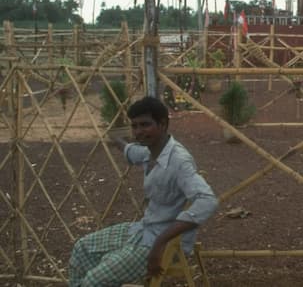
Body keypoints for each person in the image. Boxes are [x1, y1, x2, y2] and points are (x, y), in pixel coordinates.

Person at [69, 96, 218, 286]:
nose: (139, 132)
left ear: (163, 124)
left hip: (166, 245)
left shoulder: (179, 161)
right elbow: (130, 150)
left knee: (93, 281)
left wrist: (161, 242)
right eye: (135, 126)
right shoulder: (150, 151)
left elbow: (208, 200)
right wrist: (116, 139)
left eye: (145, 125)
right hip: (143, 229)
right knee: (82, 249)